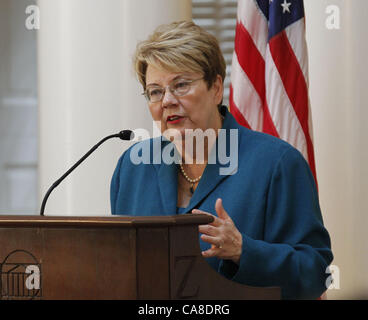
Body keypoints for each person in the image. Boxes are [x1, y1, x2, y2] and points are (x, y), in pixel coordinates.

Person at [110, 21, 333, 299]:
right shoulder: (133, 167)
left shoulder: (276, 163)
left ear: (216, 88)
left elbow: (315, 272)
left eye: (180, 85)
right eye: (155, 91)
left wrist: (243, 250)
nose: (167, 100)